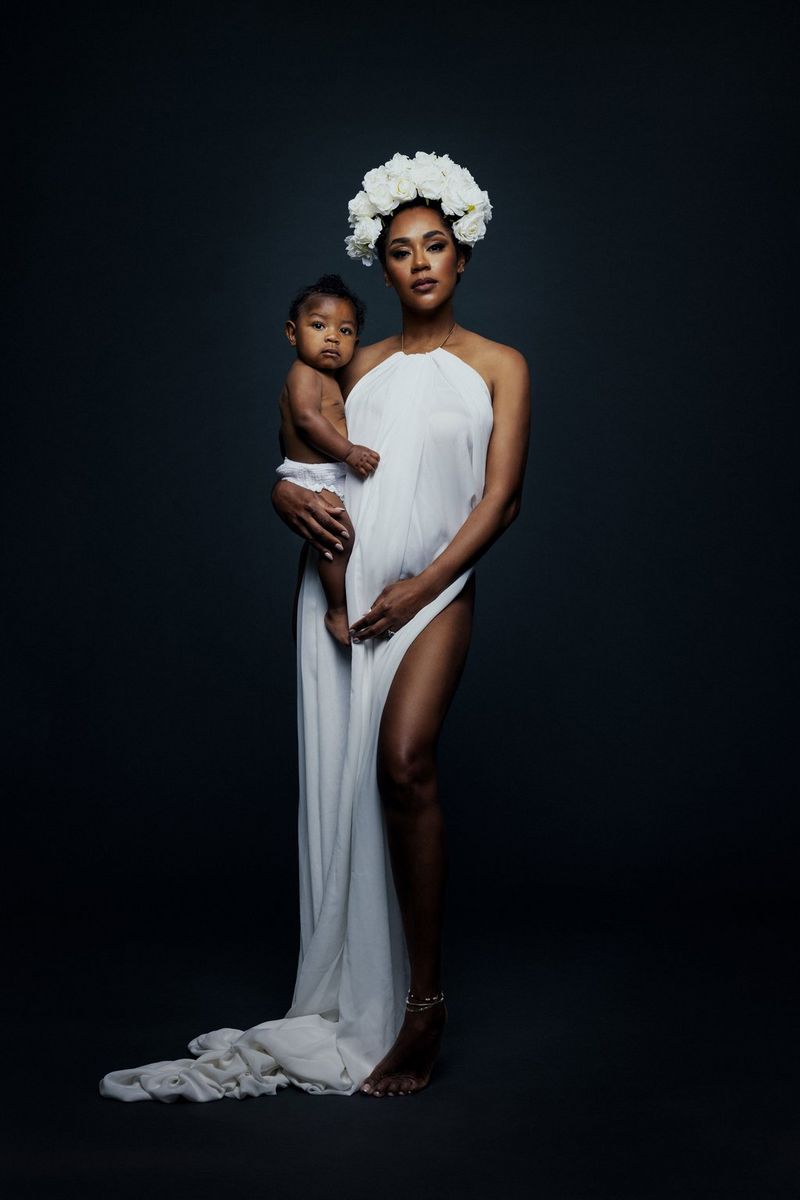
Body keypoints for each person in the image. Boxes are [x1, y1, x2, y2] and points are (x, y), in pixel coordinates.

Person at [97, 150, 530, 1104]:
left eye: (437, 246)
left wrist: (421, 590)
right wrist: (276, 495)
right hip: (339, 600)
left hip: (431, 593)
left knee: (405, 761)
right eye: (401, 251)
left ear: (462, 256)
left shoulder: (501, 365)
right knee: (350, 784)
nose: (420, 264)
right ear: (382, 268)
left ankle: (424, 1007)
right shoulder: (351, 359)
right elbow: (300, 457)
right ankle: (363, 996)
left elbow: (498, 504)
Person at [275, 274, 380, 647]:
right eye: (318, 326)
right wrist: (349, 452)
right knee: (339, 537)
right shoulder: (304, 373)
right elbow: (306, 419)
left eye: (346, 331)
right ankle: (337, 610)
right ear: (292, 333)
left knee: (344, 538)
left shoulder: (331, 377)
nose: (332, 336)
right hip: (312, 476)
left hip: (325, 473)